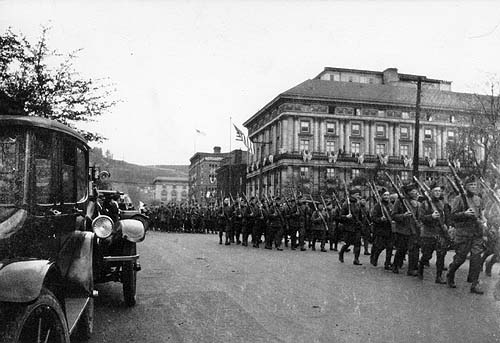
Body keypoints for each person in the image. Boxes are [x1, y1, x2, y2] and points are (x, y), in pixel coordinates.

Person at [447, 175, 486, 294]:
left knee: (476, 259)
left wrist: (484, 221)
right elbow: (452, 216)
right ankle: (450, 273)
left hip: (476, 233)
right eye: (471, 185)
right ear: (465, 186)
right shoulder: (459, 199)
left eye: (475, 185)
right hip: (463, 234)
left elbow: (481, 214)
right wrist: (464, 214)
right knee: (460, 259)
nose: (473, 187)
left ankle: (475, 284)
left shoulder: (478, 199)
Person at [418, 182, 449, 284]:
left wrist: (447, 226)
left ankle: (439, 277)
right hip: (429, 233)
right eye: (435, 191)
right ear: (430, 192)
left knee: (441, 255)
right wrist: (431, 217)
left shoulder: (442, 203)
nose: (437, 193)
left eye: (439, 191)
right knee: (427, 255)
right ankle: (420, 268)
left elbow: (447, 217)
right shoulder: (425, 204)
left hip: (440, 233)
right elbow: (421, 218)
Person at [391, 183, 422, 276]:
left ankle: (412, 269)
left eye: (416, 191)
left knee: (414, 250)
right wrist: (403, 216)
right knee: (401, 249)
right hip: (403, 230)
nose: (415, 193)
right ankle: (396, 265)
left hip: (414, 229)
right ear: (408, 193)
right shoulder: (400, 201)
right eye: (413, 191)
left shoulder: (418, 203)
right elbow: (393, 215)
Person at [338, 187, 364, 265]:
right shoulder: (346, 204)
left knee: (358, 243)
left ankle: (356, 259)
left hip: (356, 226)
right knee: (348, 243)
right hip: (349, 227)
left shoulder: (358, 203)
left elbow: (359, 215)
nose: (358, 196)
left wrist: (360, 222)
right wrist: (346, 216)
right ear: (352, 195)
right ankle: (341, 253)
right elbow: (340, 216)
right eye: (356, 194)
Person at [370, 188, 394, 270]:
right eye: (385, 195)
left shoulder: (391, 205)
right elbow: (373, 217)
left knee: (390, 247)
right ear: (381, 196)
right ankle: (374, 258)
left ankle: (387, 264)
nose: (387, 196)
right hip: (381, 229)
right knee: (380, 246)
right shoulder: (378, 206)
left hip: (390, 228)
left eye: (388, 195)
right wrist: (380, 219)